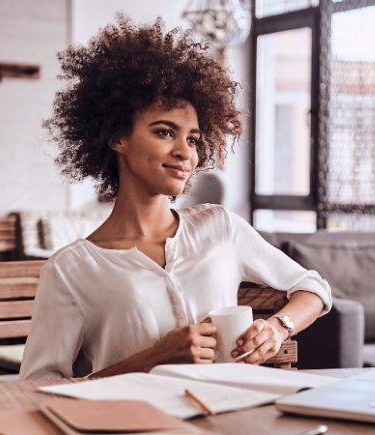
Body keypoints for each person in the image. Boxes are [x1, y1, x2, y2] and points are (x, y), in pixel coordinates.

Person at [19, 18, 332, 380]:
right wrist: (153, 358)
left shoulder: (220, 227)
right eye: (165, 132)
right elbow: (38, 386)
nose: (186, 153)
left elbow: (313, 288)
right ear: (117, 137)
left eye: (194, 139)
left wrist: (278, 327)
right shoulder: (71, 270)